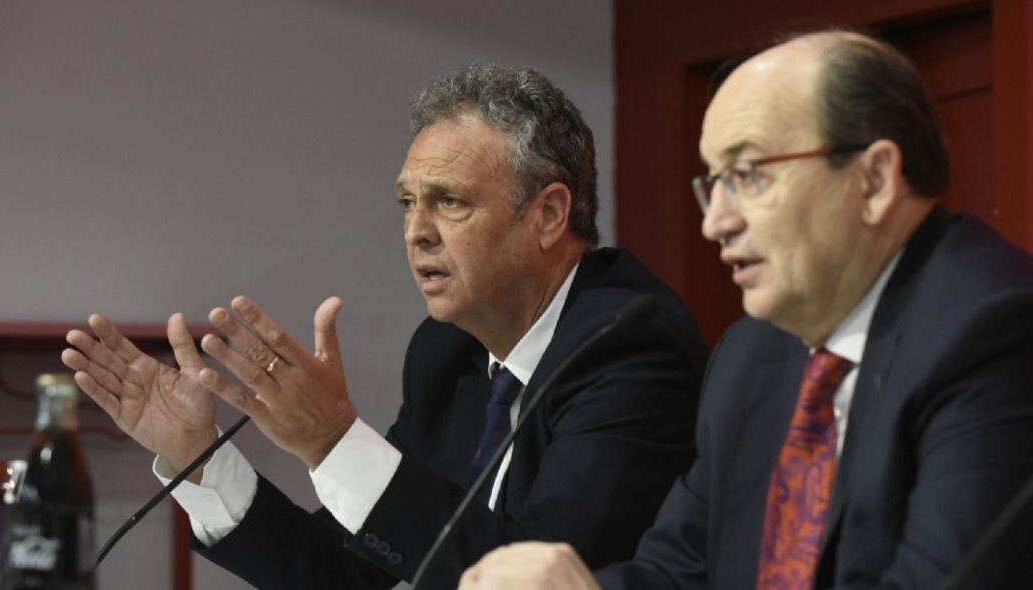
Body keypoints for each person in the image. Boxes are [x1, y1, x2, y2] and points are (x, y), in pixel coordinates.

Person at [60, 62, 709, 588]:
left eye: (449, 202)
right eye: (407, 202)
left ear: (548, 215)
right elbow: (344, 572)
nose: (416, 232)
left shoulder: (629, 346)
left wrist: (332, 442)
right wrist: (197, 459)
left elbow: (536, 573)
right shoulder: (446, 353)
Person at [458, 31, 1033, 589]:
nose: (716, 222)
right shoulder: (752, 354)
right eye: (715, 182)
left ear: (875, 179)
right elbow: (676, 572)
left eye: (749, 175)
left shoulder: (993, 333)